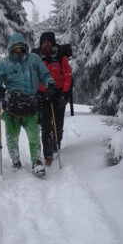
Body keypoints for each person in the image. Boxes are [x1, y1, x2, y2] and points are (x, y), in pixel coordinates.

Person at [0, 32, 57, 176]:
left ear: (25, 47)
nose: (18, 51)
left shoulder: (34, 59)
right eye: (15, 48)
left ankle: (37, 162)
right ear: (11, 48)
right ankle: (16, 161)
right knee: (12, 136)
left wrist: (49, 83)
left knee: (34, 136)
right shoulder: (4, 63)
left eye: (21, 47)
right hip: (12, 108)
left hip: (31, 105)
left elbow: (45, 74)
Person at [33, 31, 73, 166]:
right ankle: (48, 154)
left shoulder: (60, 57)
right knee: (45, 126)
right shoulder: (36, 57)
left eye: (49, 42)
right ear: (41, 44)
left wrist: (65, 95)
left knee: (58, 123)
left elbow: (68, 76)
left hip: (59, 95)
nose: (46, 45)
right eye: (44, 42)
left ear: (53, 43)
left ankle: (57, 144)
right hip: (43, 96)